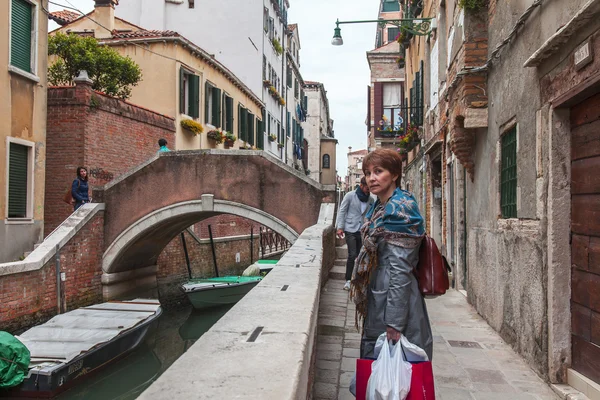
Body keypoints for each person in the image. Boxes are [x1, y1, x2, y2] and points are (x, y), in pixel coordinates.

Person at [351, 148, 433, 361]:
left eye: (378, 171)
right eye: (368, 173)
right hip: (380, 291)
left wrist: (395, 322)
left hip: (393, 296)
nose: (372, 178)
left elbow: (400, 268)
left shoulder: (399, 209)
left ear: (395, 174)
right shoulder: (380, 205)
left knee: (396, 368)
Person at [336, 177, 374, 291]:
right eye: (367, 187)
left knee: (360, 256)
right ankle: (348, 280)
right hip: (350, 228)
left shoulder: (371, 200)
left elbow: (370, 215)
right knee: (352, 255)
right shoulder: (350, 196)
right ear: (361, 186)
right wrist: (340, 227)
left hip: (362, 230)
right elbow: (342, 211)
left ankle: (357, 279)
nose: (369, 190)